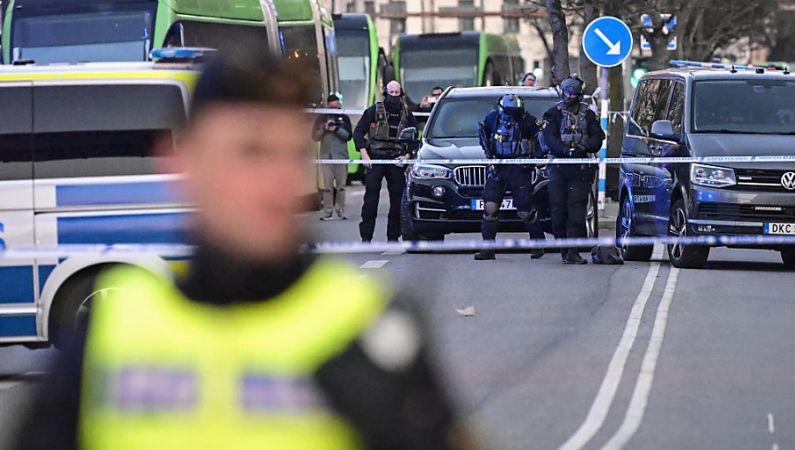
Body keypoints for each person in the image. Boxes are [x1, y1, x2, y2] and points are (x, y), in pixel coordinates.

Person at [14, 51, 471, 450]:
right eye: (251, 152)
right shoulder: (110, 337)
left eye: (291, 154)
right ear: (181, 160)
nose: (279, 182)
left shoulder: (366, 331)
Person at [541, 75, 605, 264]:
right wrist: (565, 151)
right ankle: (563, 247)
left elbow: (597, 138)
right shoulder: (552, 114)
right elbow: (550, 140)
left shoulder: (589, 115)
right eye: (568, 93)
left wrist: (583, 148)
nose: (570, 98)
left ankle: (573, 250)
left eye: (574, 94)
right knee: (558, 210)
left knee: (577, 211)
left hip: (580, 168)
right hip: (558, 168)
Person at [473, 94, 545, 261]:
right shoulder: (492, 118)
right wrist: (489, 155)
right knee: (490, 207)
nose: (513, 114)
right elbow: (484, 137)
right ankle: (488, 249)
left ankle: (538, 242)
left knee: (524, 211)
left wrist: (533, 159)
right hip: (498, 167)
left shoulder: (529, 121)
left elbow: (542, 142)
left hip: (520, 169)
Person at [354, 80, 418, 242]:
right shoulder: (374, 110)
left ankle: (393, 237)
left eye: (397, 93)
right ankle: (366, 237)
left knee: (398, 200)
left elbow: (414, 136)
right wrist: (364, 154)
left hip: (396, 159)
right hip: (376, 157)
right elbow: (358, 132)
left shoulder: (406, 112)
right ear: (386, 93)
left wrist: (407, 156)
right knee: (371, 199)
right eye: (392, 93)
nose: (395, 96)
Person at [314, 93, 353, 220]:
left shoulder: (344, 118)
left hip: (341, 156)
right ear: (327, 106)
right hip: (326, 156)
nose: (334, 110)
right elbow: (314, 137)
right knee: (327, 186)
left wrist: (336, 129)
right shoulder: (321, 118)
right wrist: (324, 128)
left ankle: (340, 210)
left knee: (341, 185)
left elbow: (348, 136)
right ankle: (328, 211)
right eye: (331, 108)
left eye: (337, 107)